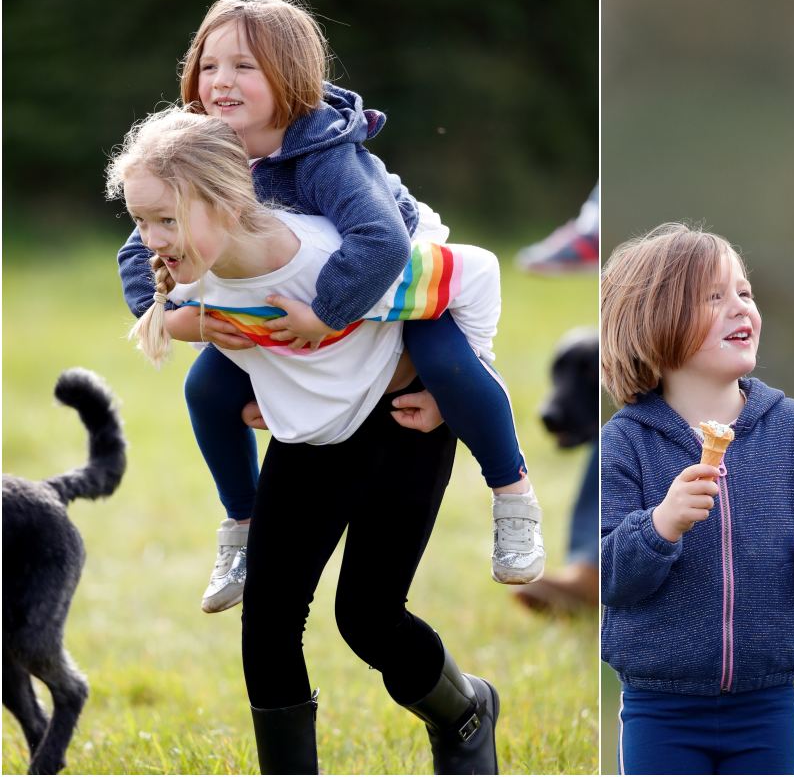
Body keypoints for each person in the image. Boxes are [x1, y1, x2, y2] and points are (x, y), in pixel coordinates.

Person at [115, 0, 544, 613]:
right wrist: (177, 319)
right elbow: (138, 251)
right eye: (208, 65)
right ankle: (243, 524)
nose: (220, 81)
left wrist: (324, 316)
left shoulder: (321, 150)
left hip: (394, 273)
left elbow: (378, 239)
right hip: (292, 283)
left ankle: (512, 493)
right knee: (206, 391)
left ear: (288, 76)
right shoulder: (201, 151)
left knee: (449, 365)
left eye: (243, 66)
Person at [107, 108, 502, 775]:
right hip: (312, 442)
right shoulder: (193, 279)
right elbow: (157, 303)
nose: (152, 240)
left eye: (166, 221)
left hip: (403, 424)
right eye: (142, 221)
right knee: (267, 621)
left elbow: (463, 289)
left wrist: (450, 386)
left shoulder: (333, 254)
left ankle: (465, 713)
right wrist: (193, 326)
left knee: (369, 618)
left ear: (230, 200)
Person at [600, 223, 794, 775]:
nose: (740, 308)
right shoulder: (626, 441)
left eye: (745, 293)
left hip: (767, 704)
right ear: (657, 319)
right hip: (662, 707)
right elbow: (609, 574)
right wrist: (660, 527)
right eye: (715, 296)